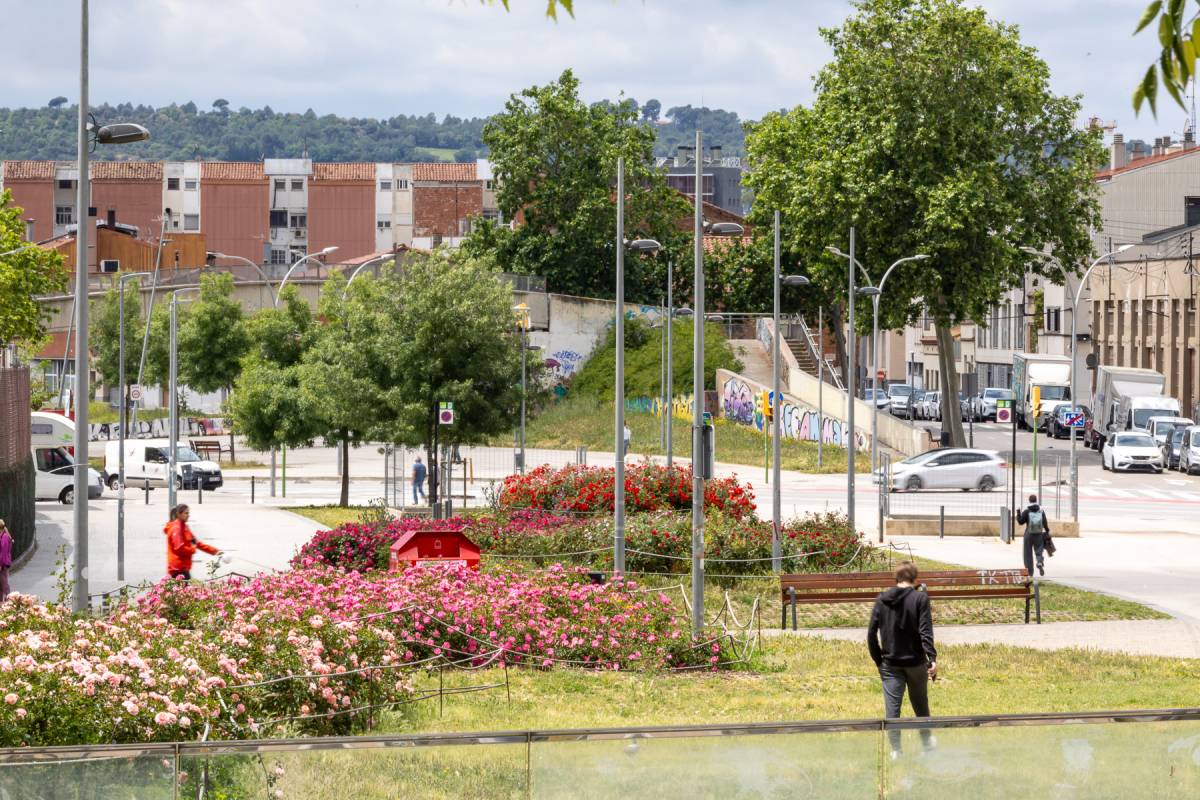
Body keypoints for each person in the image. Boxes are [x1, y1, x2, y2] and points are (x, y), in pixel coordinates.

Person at [867, 561, 938, 757]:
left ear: (896, 578)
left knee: (892, 710)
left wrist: (879, 660)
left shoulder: (881, 600)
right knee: (921, 705)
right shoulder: (920, 599)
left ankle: (896, 751)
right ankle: (927, 746)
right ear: (915, 579)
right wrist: (931, 658)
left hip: (890, 663)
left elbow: (871, 634)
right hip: (916, 662)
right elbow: (925, 631)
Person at [163, 504, 220, 581]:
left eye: (188, 513)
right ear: (178, 514)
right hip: (177, 569)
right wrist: (192, 550)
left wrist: (216, 551)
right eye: (186, 513)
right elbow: (179, 548)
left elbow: (197, 543)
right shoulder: (176, 528)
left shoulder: (184, 527)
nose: (188, 515)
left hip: (183, 568)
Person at [1016, 493, 1051, 576]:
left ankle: (1029, 572)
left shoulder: (1027, 511)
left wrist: (1018, 513)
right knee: (1039, 550)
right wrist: (1047, 531)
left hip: (1028, 534)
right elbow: (1045, 523)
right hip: (1038, 534)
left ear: (1029, 500)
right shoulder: (1041, 510)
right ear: (1036, 500)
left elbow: (1020, 522)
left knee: (1027, 553)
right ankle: (1039, 561)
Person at [0, 519, 12, 602]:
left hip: (3, 565)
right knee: (1, 585)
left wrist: (0, 565)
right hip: (2, 564)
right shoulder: (3, 536)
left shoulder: (4, 537)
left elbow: (3, 553)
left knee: (4, 585)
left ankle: (10, 602)